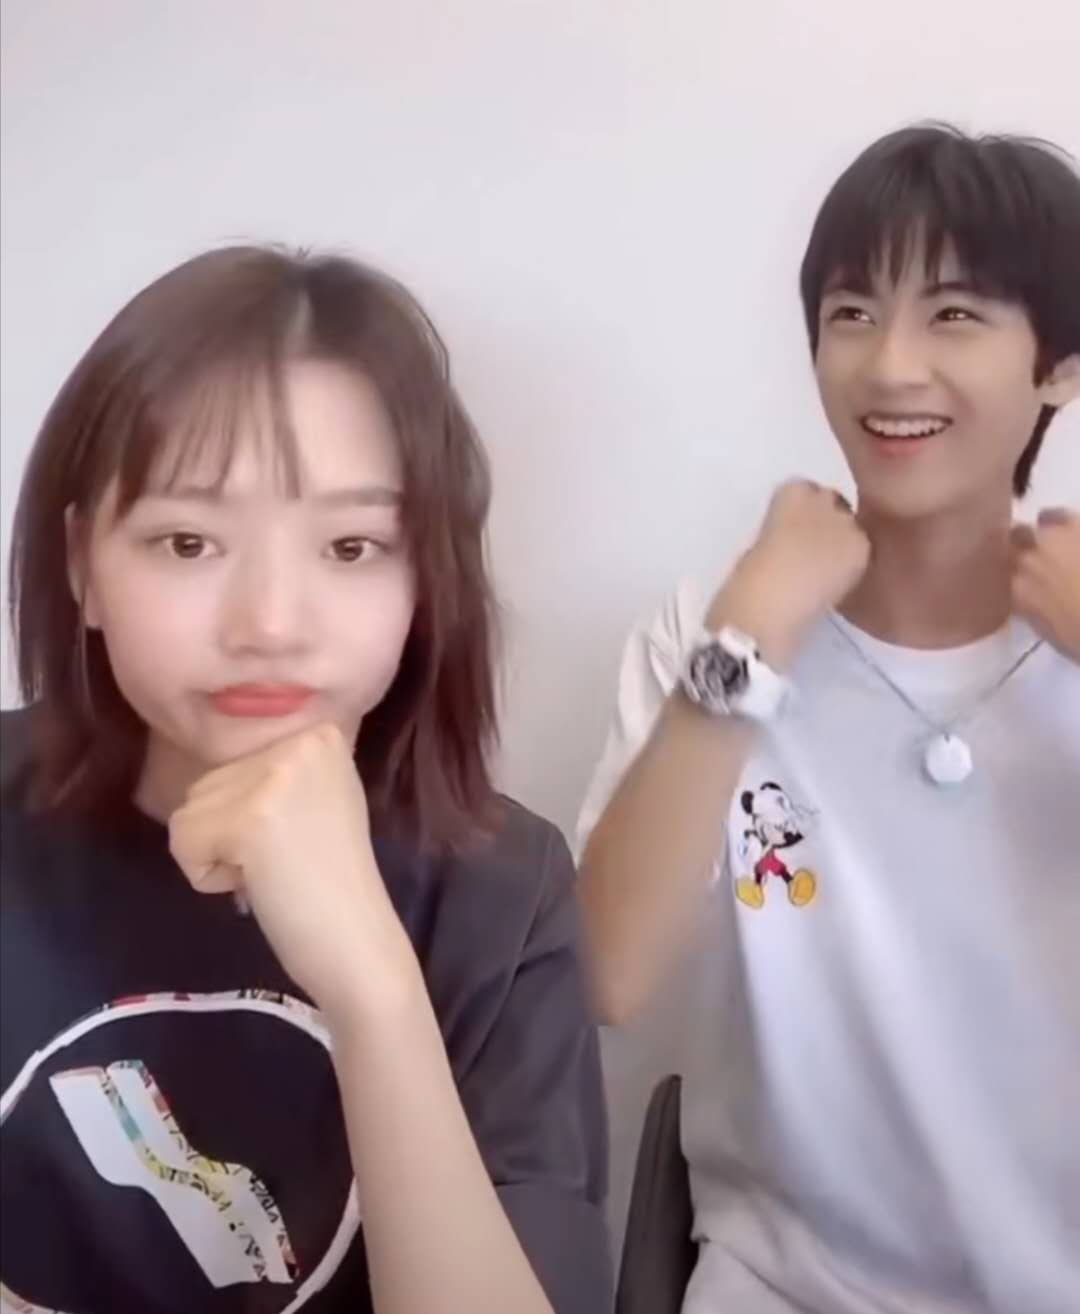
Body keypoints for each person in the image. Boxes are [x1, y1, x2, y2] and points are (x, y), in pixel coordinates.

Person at [0, 246, 612, 1314]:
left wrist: (373, 986)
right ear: (82, 565)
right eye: (188, 542)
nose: (272, 624)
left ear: (426, 580)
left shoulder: (505, 893)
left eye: (351, 547)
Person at [576, 125, 1080, 1313]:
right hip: (784, 1288)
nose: (891, 367)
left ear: (1059, 366)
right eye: (853, 313)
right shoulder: (712, 631)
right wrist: (748, 642)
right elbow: (606, 977)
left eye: (953, 315)